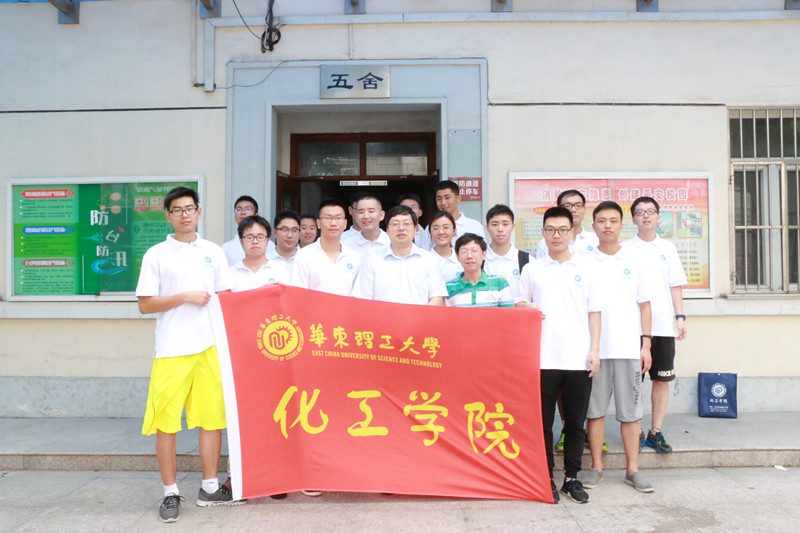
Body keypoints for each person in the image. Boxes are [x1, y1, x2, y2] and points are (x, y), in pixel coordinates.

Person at [135, 187, 240, 523]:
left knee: (212, 421)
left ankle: (210, 487)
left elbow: (226, 296)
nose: (184, 215)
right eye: (177, 210)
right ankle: (170, 492)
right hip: (172, 350)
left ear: (199, 212)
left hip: (210, 347)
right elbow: (145, 304)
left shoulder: (213, 252)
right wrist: (184, 296)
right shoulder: (156, 254)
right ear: (167, 215)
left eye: (189, 209)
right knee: (166, 424)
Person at [516, 206, 601, 504]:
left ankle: (571, 478)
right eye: (551, 229)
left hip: (578, 358)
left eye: (563, 230)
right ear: (543, 232)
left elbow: (594, 312)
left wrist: (594, 350)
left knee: (575, 423)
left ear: (572, 232)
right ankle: (546, 477)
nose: (556, 235)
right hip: (542, 358)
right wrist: (525, 306)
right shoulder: (532, 269)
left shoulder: (587, 267)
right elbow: (519, 304)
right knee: (542, 424)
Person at [580, 201, 654, 494]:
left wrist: (646, 345)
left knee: (631, 413)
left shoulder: (635, 260)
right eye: (601, 220)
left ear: (622, 225)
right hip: (595, 351)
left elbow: (645, 305)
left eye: (613, 220)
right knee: (594, 411)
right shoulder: (584, 261)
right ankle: (596, 466)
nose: (607, 225)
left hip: (627, 349)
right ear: (594, 225)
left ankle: (633, 469)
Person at [623, 196, 688, 454]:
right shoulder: (625, 249)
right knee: (633, 382)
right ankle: (636, 430)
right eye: (640, 212)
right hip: (633, 328)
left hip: (662, 327)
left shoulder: (667, 248)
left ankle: (656, 431)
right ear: (633, 219)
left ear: (658, 217)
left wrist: (680, 317)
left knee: (661, 380)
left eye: (650, 211)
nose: (646, 216)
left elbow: (675, 285)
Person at [353, 205, 446, 305]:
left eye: (406, 224)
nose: (401, 228)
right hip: (382, 315)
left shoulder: (429, 260)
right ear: (387, 230)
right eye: (395, 224)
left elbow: (437, 297)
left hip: (420, 315)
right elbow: (363, 299)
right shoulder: (373, 261)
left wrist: (422, 315)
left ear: (415, 229)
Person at [290, 199, 361, 296]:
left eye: (338, 218)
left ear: (345, 223)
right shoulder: (304, 255)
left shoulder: (354, 256)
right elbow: (298, 293)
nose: (333, 223)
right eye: (328, 218)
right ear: (318, 223)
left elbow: (358, 295)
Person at [446, 233, 514, 307]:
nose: (469, 256)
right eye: (464, 251)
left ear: (484, 255)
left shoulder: (500, 283)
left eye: (474, 251)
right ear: (458, 257)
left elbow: (508, 313)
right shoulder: (449, 288)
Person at [229, 215, 289, 292]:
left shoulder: (281, 272)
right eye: (249, 237)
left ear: (267, 240)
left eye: (260, 237)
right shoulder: (230, 274)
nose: (255, 241)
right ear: (241, 241)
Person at [484, 204, 531, 298]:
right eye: (495, 224)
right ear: (487, 227)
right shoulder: (478, 259)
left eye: (505, 224)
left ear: (513, 226)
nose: (500, 229)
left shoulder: (527, 260)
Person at [535, 190, 598, 259]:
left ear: (584, 209)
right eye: (567, 206)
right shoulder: (546, 243)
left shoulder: (596, 240)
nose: (573, 210)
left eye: (578, 205)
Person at [221, 195, 275, 266]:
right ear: (235, 217)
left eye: (247, 209)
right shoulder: (225, 248)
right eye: (239, 210)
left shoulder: (269, 245)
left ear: (256, 215)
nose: (243, 212)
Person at [341, 194, 390, 263]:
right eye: (361, 212)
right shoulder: (345, 244)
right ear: (356, 217)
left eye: (371, 211)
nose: (366, 216)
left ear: (381, 215)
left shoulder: (391, 242)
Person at [427, 211, 463, 286]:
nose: (441, 232)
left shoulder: (462, 259)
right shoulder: (424, 261)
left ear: (454, 231)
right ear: (430, 232)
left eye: (446, 227)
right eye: (435, 228)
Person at [269, 210, 301, 277]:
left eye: (294, 231)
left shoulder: (306, 259)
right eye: (285, 230)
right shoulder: (266, 260)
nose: (290, 235)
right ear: (275, 233)